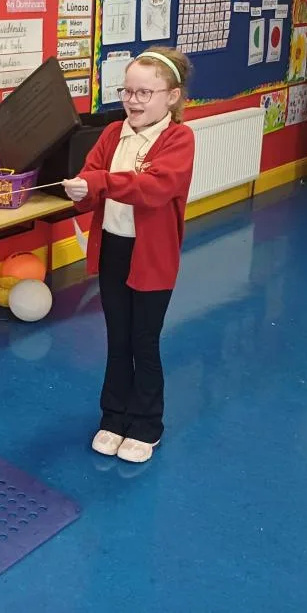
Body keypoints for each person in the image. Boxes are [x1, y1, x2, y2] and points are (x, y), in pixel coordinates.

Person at [62, 47, 195, 464]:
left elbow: (154, 189)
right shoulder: (111, 134)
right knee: (118, 338)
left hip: (152, 257)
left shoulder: (179, 139)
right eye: (127, 91)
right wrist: (82, 191)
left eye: (144, 93)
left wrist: (99, 182)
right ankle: (114, 417)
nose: (133, 101)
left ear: (171, 96)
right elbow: (91, 183)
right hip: (114, 250)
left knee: (144, 341)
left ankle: (147, 424)